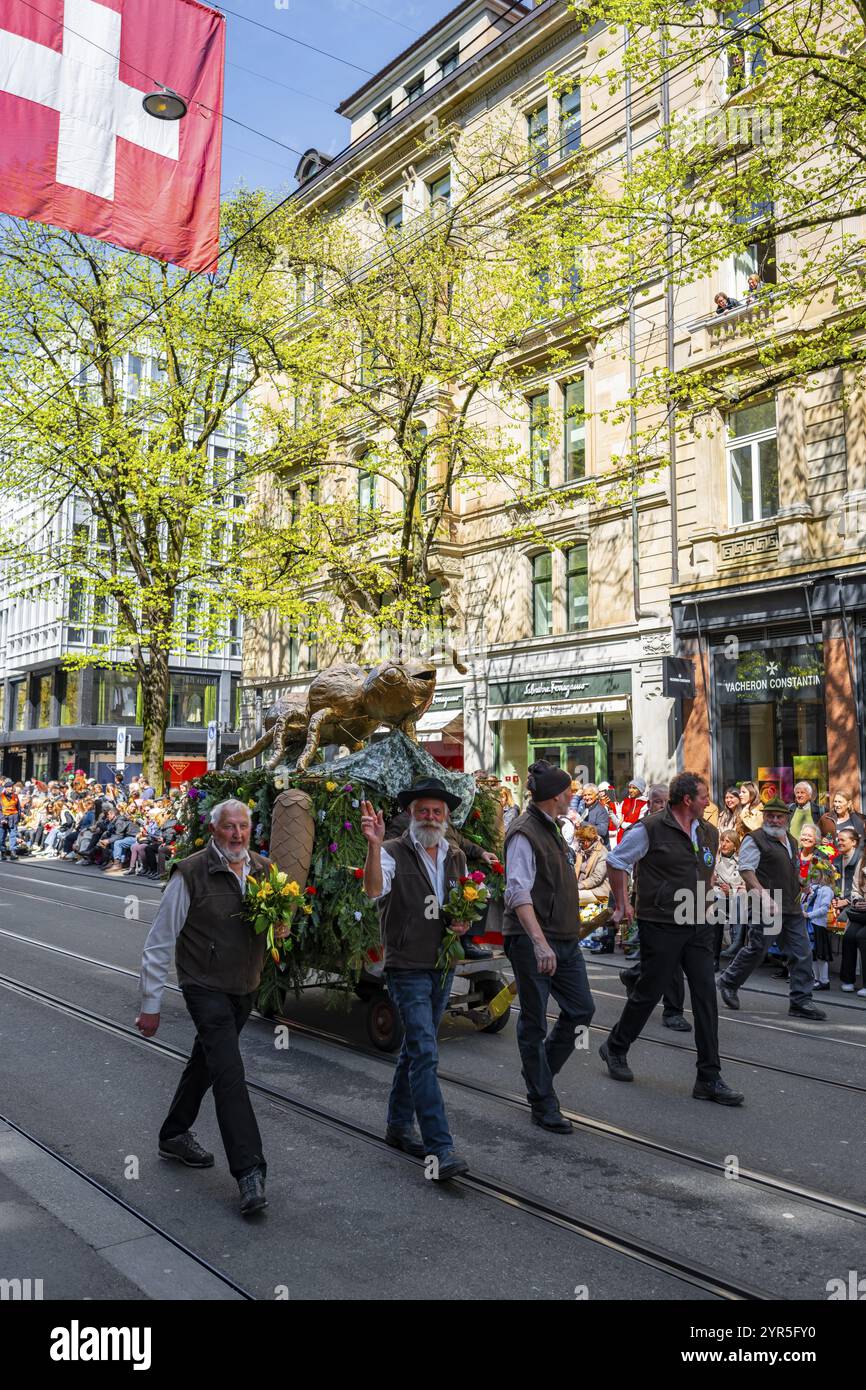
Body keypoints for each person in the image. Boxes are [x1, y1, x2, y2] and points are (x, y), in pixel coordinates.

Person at [136, 800, 274, 1216]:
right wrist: (151, 1003)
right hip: (203, 985)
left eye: (243, 826)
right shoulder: (191, 872)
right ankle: (249, 1171)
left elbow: (271, 926)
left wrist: (280, 927)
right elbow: (160, 940)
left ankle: (174, 1134)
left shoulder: (265, 871)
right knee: (230, 1073)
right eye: (228, 827)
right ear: (214, 831)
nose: (237, 834)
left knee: (207, 1060)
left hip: (244, 985)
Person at [599, 773, 743, 1104]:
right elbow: (616, 860)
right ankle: (615, 1047)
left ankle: (709, 1077)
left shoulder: (709, 832)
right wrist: (623, 904)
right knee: (649, 991)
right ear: (688, 800)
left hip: (698, 923)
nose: (709, 802)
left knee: (706, 995)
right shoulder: (650, 828)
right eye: (704, 796)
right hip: (660, 921)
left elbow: (704, 872)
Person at [361, 777, 470, 1182]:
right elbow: (373, 891)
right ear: (410, 814)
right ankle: (441, 1148)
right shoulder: (391, 852)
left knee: (415, 1047)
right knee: (425, 1050)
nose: (430, 816)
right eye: (423, 810)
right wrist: (373, 844)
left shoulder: (455, 856)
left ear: (445, 817)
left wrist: (461, 922)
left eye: (437, 811)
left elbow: (460, 904)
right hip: (406, 965)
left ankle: (397, 1124)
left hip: (442, 965)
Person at [503, 761, 595, 1133]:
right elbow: (517, 892)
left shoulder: (553, 827)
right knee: (534, 1020)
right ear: (557, 795)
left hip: (563, 938)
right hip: (533, 940)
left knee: (581, 1009)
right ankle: (542, 1099)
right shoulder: (524, 831)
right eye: (569, 790)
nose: (573, 794)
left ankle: (539, 1074)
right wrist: (540, 944)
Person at [717, 796, 826, 1020]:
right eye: (770, 816)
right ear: (764, 817)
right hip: (766, 906)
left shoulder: (792, 840)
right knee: (758, 949)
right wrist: (764, 895)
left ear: (786, 818)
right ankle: (729, 981)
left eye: (779, 816)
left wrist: (801, 883)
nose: (775, 820)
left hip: (792, 906)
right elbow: (747, 870)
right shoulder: (754, 839)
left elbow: (790, 868)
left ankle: (800, 1001)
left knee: (802, 953)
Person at [803, 851, 837, 991]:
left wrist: (808, 915)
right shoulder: (813, 888)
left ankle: (824, 980)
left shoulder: (826, 890)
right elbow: (806, 903)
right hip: (810, 924)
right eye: (812, 871)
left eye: (816, 872)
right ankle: (816, 979)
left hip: (818, 925)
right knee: (813, 954)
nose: (813, 874)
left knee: (821, 955)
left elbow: (823, 909)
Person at [840, 854, 866, 995]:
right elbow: (855, 887)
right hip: (862, 912)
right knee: (849, 936)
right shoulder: (863, 860)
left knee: (862, 936)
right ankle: (848, 980)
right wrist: (857, 900)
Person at [615, 777, 647, 844]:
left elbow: (638, 824)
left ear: (640, 790)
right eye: (630, 787)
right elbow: (618, 816)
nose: (630, 790)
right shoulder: (625, 801)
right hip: (620, 837)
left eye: (634, 788)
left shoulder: (645, 804)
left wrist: (623, 824)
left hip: (634, 838)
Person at [0, 779, 22, 860]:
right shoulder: (1, 797)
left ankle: (13, 853)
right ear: (5, 788)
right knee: (1, 837)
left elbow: (18, 808)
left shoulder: (15, 796)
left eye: (11, 787)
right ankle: (3, 852)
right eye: (9, 787)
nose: (11, 788)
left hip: (13, 819)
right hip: (3, 819)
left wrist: (18, 818)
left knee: (13, 836)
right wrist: (2, 818)